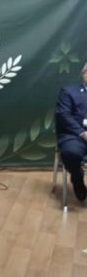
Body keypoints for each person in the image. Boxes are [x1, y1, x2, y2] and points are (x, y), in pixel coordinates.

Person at [56, 62, 87, 201]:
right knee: (71, 153)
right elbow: (63, 116)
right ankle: (77, 179)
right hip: (74, 135)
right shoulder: (68, 92)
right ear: (84, 73)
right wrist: (83, 133)